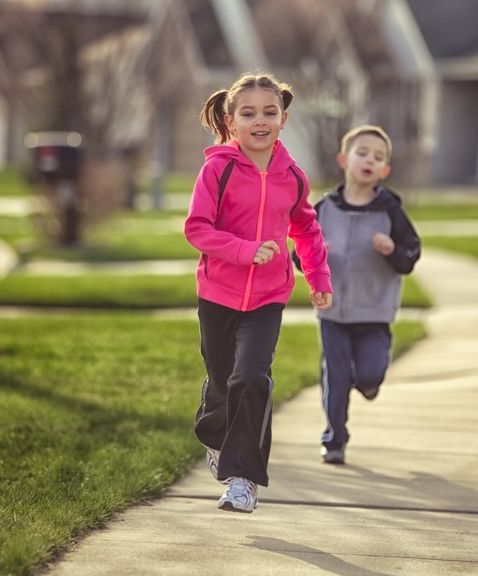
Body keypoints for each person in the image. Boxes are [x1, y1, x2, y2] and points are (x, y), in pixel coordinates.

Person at [184, 72, 332, 513]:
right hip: (218, 293)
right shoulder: (218, 169)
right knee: (221, 381)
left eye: (269, 112)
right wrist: (244, 251)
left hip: (268, 297)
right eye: (248, 113)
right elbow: (196, 229)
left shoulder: (293, 176)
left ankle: (242, 478)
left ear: (283, 118)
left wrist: (318, 279)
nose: (260, 120)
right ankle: (214, 435)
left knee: (250, 378)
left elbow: (305, 227)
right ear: (231, 122)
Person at [295, 124, 420, 465]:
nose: (369, 160)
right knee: (334, 377)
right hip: (332, 311)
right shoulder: (323, 209)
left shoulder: (390, 211)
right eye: (362, 153)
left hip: (374, 312)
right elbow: (299, 254)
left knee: (369, 375)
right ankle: (334, 440)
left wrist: (393, 249)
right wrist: (315, 253)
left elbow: (410, 255)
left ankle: (367, 383)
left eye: (378, 157)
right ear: (343, 160)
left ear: (385, 170)